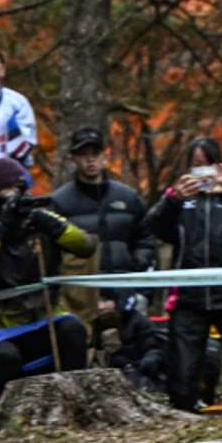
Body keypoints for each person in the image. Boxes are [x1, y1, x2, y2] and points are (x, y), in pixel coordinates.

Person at [140, 138, 222, 413]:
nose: (202, 173)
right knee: (182, 376)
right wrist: (173, 200)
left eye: (207, 165)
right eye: (195, 166)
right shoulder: (177, 199)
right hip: (187, 297)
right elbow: (153, 228)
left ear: (219, 166)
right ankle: (184, 416)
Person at [0, 160, 95, 404]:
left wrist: (54, 226)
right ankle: (2, 417)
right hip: (6, 327)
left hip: (49, 317)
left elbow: (85, 246)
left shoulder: (41, 219)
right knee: (4, 358)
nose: (16, 195)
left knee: (73, 330)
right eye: (7, 189)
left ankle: (78, 404)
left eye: (19, 187)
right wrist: (0, 232)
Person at [48, 127, 156, 348]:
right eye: (83, 154)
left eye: (95, 153)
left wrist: (136, 285)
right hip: (78, 302)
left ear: (105, 157)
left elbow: (145, 240)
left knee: (133, 361)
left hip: (127, 298)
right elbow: (52, 256)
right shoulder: (59, 202)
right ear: (73, 159)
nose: (90, 160)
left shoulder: (128, 197)